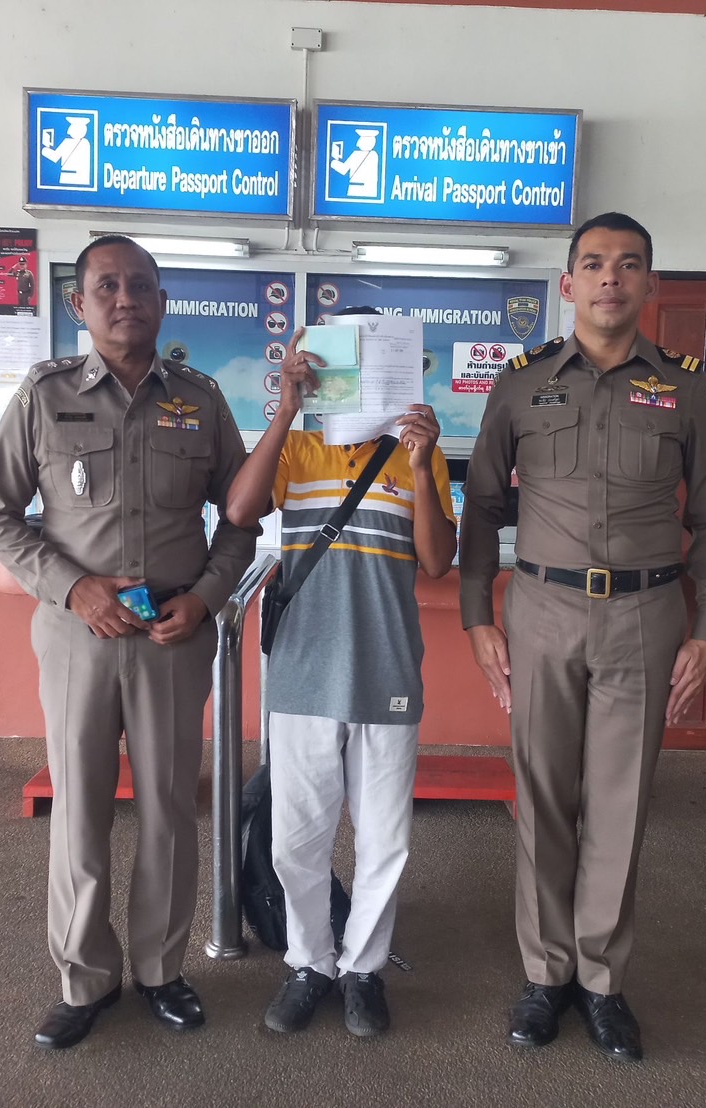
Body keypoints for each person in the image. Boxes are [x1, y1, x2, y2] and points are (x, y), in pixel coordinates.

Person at [459, 212, 706, 1062]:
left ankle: (601, 982)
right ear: (567, 284)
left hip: (646, 617)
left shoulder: (684, 388)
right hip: (541, 611)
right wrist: (477, 614)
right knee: (543, 798)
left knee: (620, 804)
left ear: (650, 283)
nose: (609, 277)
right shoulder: (520, 384)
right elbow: (483, 505)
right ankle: (545, 976)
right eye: (592, 264)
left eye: (627, 264)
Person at [0, 234, 257, 1050]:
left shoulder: (200, 400)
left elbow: (240, 519)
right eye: (107, 286)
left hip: (173, 634)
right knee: (80, 812)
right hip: (78, 636)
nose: (125, 298)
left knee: (168, 808)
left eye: (140, 285)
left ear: (162, 301)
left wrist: (205, 599)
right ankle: (85, 979)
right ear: (79, 304)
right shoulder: (45, 395)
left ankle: (162, 972)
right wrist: (74, 587)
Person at [224, 312, 457, 1038]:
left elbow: (437, 560)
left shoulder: (417, 456)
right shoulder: (297, 449)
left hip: (387, 666)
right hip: (302, 670)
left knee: (385, 838)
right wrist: (285, 409)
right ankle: (310, 963)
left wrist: (421, 462)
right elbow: (239, 509)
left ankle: (362, 968)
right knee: (296, 838)